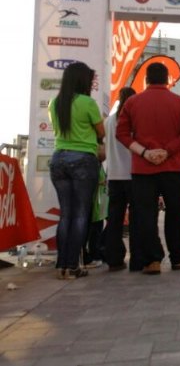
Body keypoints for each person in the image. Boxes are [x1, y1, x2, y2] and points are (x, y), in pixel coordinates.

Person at [116, 63, 180, 274]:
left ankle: (152, 260)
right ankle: (178, 258)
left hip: (142, 169)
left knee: (145, 216)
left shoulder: (132, 102)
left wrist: (144, 152)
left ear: (146, 79)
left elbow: (121, 134)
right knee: (176, 214)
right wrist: (167, 151)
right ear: (167, 79)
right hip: (174, 168)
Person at [48, 62, 104, 280]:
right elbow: (100, 131)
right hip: (83, 160)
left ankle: (61, 265)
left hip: (58, 159)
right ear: (83, 81)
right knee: (81, 214)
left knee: (66, 214)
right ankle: (73, 265)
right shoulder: (87, 102)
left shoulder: (54, 103)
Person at [103, 87, 140, 272]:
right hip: (133, 174)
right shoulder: (134, 120)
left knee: (114, 220)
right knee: (136, 219)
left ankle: (114, 260)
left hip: (113, 175)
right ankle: (137, 259)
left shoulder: (108, 121)